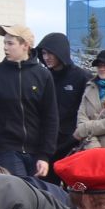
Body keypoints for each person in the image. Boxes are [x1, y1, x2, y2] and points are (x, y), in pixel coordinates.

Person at [0, 25, 56, 178]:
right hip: (5, 148)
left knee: (34, 195)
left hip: (35, 151)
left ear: (25, 46)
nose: (5, 47)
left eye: (10, 43)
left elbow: (50, 118)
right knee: (18, 191)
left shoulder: (43, 75)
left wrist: (44, 155)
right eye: (5, 43)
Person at [36, 32, 92, 165]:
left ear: (61, 52)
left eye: (50, 53)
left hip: (72, 142)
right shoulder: (43, 77)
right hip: (46, 142)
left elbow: (88, 110)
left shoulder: (81, 77)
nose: (47, 57)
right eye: (44, 53)